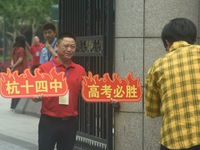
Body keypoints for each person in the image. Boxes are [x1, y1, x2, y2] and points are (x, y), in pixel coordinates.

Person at [145, 18, 200, 150]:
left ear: (167, 42)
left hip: (173, 140)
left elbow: (152, 111)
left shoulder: (157, 67)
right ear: (193, 38)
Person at [32, 32, 86, 150]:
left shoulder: (80, 70)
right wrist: (36, 97)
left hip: (70, 123)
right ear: (57, 46)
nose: (69, 49)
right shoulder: (44, 69)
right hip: (49, 121)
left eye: (72, 47)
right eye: (65, 46)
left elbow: (88, 93)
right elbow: (33, 94)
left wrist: (109, 98)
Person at [10, 35, 29, 109]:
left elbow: (12, 59)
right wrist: (15, 65)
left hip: (15, 71)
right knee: (21, 87)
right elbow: (21, 59)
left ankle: (13, 105)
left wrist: (12, 66)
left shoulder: (14, 49)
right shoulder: (21, 49)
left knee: (15, 87)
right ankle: (17, 105)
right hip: (21, 71)